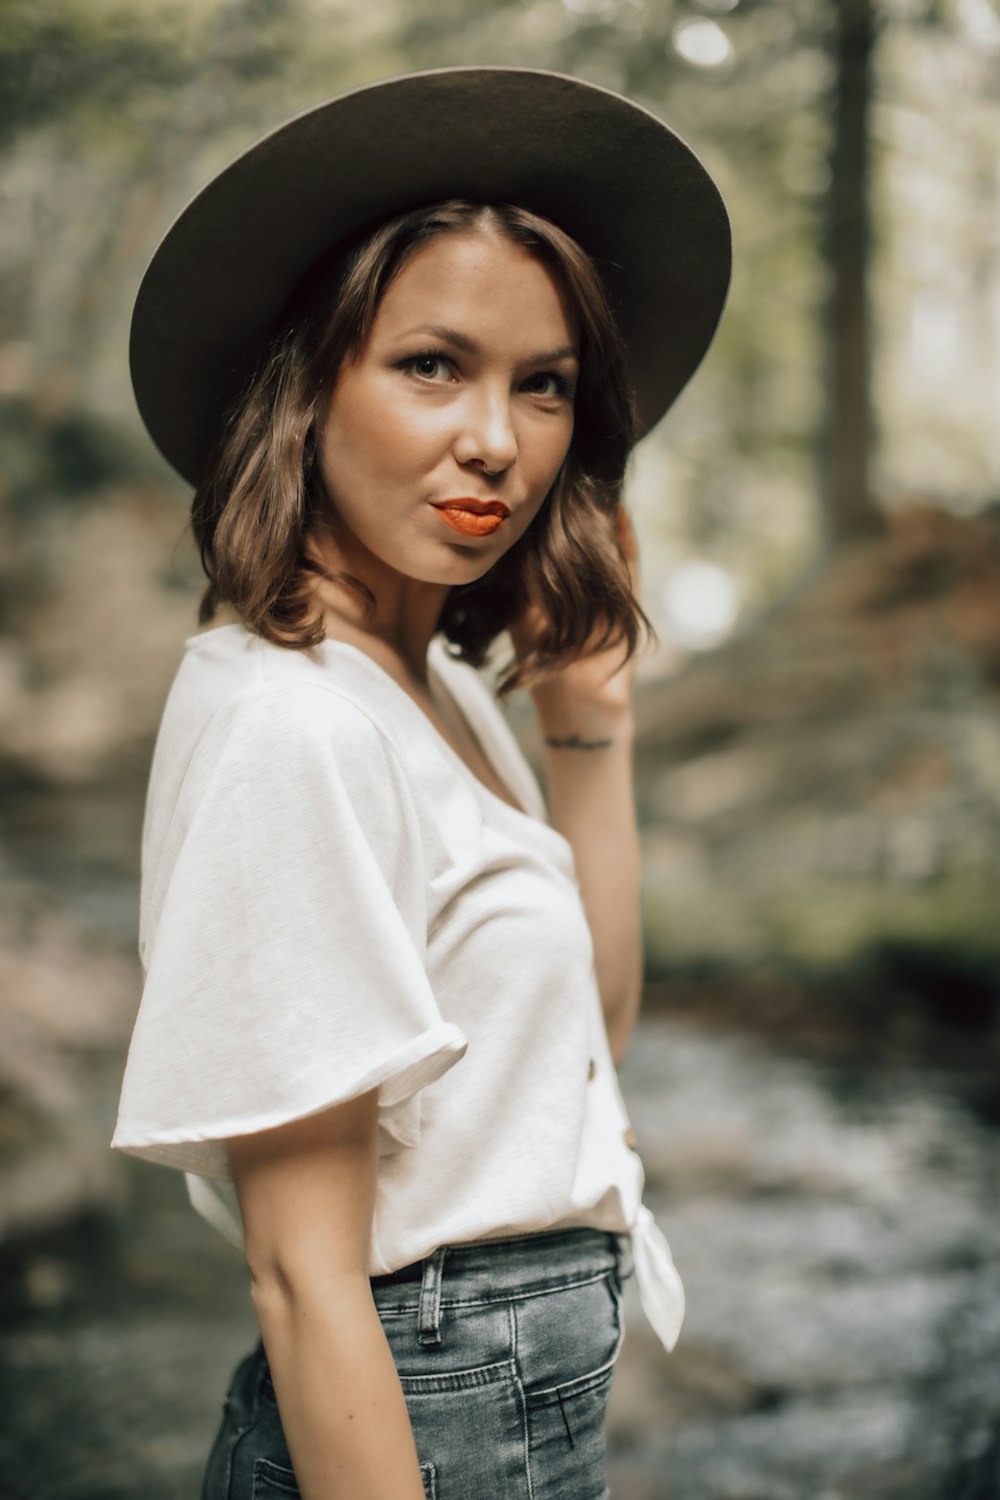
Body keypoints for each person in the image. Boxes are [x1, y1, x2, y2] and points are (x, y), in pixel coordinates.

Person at [111, 66, 731, 1500]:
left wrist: (589, 728)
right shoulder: (294, 724)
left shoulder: (430, 688)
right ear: (307, 384)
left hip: (511, 1396)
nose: (498, 445)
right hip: (415, 1415)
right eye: (432, 365)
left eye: (546, 385)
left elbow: (586, 1044)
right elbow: (301, 1277)